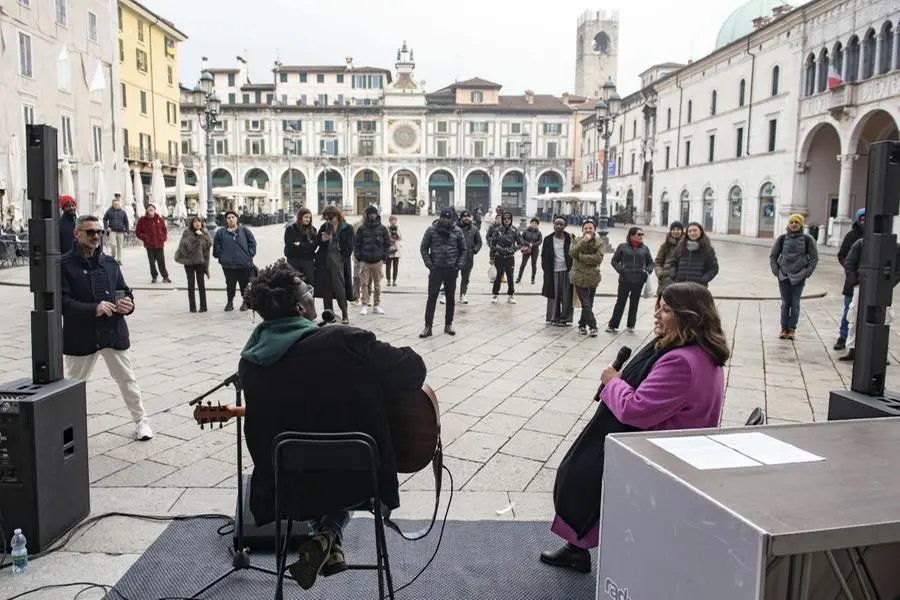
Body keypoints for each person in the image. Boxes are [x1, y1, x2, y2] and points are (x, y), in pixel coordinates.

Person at [239, 260, 427, 590]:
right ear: (301, 307)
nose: (313, 293)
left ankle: (325, 538)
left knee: (313, 467)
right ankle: (329, 535)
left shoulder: (250, 361)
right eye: (308, 291)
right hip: (358, 480)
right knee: (334, 470)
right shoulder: (344, 341)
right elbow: (413, 369)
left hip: (289, 485)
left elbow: (256, 434)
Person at [541, 282, 729, 573]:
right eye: (659, 307)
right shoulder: (700, 352)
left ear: (689, 316)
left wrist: (612, 382)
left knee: (581, 475)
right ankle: (577, 548)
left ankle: (592, 553)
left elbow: (635, 409)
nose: (657, 315)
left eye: (666, 310)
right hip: (673, 447)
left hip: (660, 456)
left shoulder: (682, 361)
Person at [60, 215, 152, 441]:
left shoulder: (110, 263)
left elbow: (124, 290)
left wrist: (128, 304)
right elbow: (62, 303)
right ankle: (66, 429)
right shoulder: (63, 265)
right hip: (81, 335)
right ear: (77, 234)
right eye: (90, 232)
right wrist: (95, 308)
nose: (95, 237)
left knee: (127, 379)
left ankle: (141, 421)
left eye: (99, 232)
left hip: (113, 332)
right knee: (71, 387)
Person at [769, 214, 818, 340]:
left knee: (795, 304)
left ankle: (792, 329)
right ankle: (783, 328)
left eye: (797, 222)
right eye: (792, 222)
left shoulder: (808, 239)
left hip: (799, 276)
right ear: (788, 224)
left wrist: (807, 272)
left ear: (801, 224)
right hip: (784, 276)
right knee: (785, 304)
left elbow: (814, 258)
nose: (794, 224)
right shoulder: (782, 238)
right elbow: (773, 256)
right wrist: (776, 271)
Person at [419, 208, 467, 338]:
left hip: (451, 269)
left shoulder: (457, 231)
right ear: (440, 218)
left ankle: (448, 324)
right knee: (432, 297)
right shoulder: (431, 230)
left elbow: (464, 250)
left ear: (452, 219)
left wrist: (459, 265)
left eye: (448, 218)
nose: (445, 220)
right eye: (443, 217)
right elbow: (423, 248)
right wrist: (430, 264)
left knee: (450, 298)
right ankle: (428, 326)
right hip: (436, 269)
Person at [607, 227, 654, 333]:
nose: (641, 236)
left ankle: (631, 325)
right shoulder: (622, 247)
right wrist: (621, 270)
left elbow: (651, 263)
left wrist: (647, 271)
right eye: (639, 234)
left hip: (639, 280)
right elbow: (614, 261)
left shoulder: (645, 248)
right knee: (620, 302)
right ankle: (613, 325)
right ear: (631, 235)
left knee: (634, 302)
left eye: (642, 234)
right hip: (624, 279)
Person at [314, 205, 354, 324]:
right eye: (326, 219)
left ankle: (344, 314)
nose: (329, 221)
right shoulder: (324, 227)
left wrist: (343, 258)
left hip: (339, 260)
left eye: (331, 218)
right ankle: (329, 315)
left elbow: (350, 245)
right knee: (327, 288)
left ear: (337, 216)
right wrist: (322, 240)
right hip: (325, 259)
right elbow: (317, 242)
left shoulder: (347, 228)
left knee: (339, 287)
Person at [212, 210, 257, 311]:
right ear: (226, 220)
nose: (231, 219)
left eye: (233, 217)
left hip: (243, 263)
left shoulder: (244, 230)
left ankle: (245, 301)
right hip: (228, 264)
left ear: (237, 218)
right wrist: (220, 255)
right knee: (230, 284)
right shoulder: (220, 232)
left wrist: (250, 254)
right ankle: (230, 302)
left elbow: (252, 243)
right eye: (228, 218)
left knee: (244, 283)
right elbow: (216, 244)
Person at [834, 208, 865, 350]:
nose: (864, 221)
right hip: (853, 279)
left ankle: (862, 340)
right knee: (849, 310)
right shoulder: (852, 235)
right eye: (862, 218)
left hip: (869, 280)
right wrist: (850, 271)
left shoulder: (875, 235)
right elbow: (842, 255)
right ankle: (843, 337)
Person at [570, 219, 604, 337]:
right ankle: (593, 326)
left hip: (593, 276)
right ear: (582, 230)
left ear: (594, 229)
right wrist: (583, 242)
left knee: (590, 302)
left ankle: (582, 325)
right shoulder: (577, 240)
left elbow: (598, 258)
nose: (588, 230)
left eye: (590, 228)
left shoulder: (599, 242)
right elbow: (573, 253)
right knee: (585, 302)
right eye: (586, 228)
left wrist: (582, 257)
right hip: (579, 276)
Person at [354, 205, 390, 315]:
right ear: (367, 215)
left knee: (377, 285)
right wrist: (359, 256)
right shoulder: (361, 228)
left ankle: (377, 305)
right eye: (370, 214)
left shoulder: (382, 228)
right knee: (364, 284)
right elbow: (357, 244)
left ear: (377, 215)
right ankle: (364, 304)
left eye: (374, 214)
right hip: (365, 261)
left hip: (378, 261)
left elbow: (387, 243)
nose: (372, 215)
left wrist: (384, 256)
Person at [174, 216, 212, 313]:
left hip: (200, 262)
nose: (197, 223)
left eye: (199, 221)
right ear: (192, 223)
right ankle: (192, 307)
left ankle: (203, 306)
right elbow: (183, 247)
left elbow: (208, 245)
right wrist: (195, 242)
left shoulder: (204, 232)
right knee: (191, 284)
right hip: (189, 262)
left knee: (201, 284)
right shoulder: (187, 233)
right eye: (195, 222)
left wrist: (201, 236)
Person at [541, 216, 574, 326]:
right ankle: (553, 317)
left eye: (561, 224)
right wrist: (546, 269)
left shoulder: (570, 238)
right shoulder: (548, 239)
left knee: (566, 295)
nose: (558, 226)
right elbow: (544, 255)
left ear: (565, 226)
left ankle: (565, 318)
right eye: (556, 223)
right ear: (553, 224)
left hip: (567, 270)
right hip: (553, 270)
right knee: (553, 294)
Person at [667, 221, 719, 286]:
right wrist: (673, 275)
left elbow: (714, 268)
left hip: (698, 287)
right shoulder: (680, 246)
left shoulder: (707, 248)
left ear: (700, 231)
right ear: (687, 233)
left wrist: (703, 280)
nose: (692, 233)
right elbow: (673, 263)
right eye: (690, 231)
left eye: (695, 230)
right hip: (679, 285)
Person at [488, 211, 522, 303]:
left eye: (508, 219)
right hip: (499, 257)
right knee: (497, 277)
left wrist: (513, 249)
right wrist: (491, 257)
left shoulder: (515, 230)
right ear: (502, 220)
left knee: (510, 277)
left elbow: (520, 243)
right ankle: (495, 295)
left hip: (510, 257)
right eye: (505, 219)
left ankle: (511, 295)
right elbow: (493, 244)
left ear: (511, 220)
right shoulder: (497, 230)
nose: (507, 220)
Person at [134, 204, 171, 284]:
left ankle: (165, 277)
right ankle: (154, 277)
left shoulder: (160, 219)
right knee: (152, 263)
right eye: (149, 208)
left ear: (155, 209)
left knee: (161, 262)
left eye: (152, 208)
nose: (150, 209)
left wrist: (163, 238)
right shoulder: (142, 220)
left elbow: (164, 230)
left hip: (159, 244)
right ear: (147, 210)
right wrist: (145, 238)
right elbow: (137, 232)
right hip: (149, 245)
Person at [283, 208, 318, 284]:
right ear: (300, 217)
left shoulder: (313, 230)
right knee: (295, 284)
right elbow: (289, 246)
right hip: (293, 261)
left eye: (309, 218)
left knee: (309, 283)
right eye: (306, 217)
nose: (308, 219)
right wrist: (306, 246)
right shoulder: (291, 229)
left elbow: (313, 247)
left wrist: (300, 245)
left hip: (308, 261)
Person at [455, 210, 482, 305]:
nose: (466, 218)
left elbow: (479, 242)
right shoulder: (455, 227)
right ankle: (448, 294)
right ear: (461, 218)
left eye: (468, 216)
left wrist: (475, 250)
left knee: (465, 277)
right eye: (464, 216)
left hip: (468, 257)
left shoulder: (474, 229)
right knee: (452, 277)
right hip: (456, 257)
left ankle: (463, 294)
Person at [653, 221, 683, 294]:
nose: (675, 231)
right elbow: (657, 262)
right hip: (665, 280)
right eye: (673, 229)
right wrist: (660, 274)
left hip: (681, 280)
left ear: (682, 231)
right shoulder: (665, 245)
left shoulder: (686, 245)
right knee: (664, 303)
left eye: (678, 229)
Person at [103, 194, 129, 264]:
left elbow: (126, 222)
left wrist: (126, 231)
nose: (115, 205)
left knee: (120, 247)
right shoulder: (109, 211)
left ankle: (119, 260)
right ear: (112, 204)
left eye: (117, 204)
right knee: (113, 245)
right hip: (112, 231)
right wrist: (106, 227)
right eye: (114, 204)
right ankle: (113, 256)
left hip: (121, 231)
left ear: (119, 204)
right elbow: (104, 219)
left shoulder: (123, 212)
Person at [516, 217, 543, 285]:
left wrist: (533, 245)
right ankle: (519, 278)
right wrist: (528, 243)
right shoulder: (526, 231)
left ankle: (533, 279)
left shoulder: (539, 233)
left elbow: (540, 241)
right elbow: (522, 238)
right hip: (526, 249)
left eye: (535, 223)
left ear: (537, 225)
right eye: (533, 223)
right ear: (530, 223)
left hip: (535, 250)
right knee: (523, 264)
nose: (534, 224)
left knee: (533, 265)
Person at [385, 215, 402, 286]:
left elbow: (400, 237)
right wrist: (390, 238)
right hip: (389, 249)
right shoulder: (387, 228)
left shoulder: (398, 228)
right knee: (388, 266)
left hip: (396, 250)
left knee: (396, 267)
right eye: (392, 220)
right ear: (389, 221)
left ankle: (394, 280)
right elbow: (385, 237)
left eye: (394, 220)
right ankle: (388, 280)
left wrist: (396, 236)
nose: (393, 221)